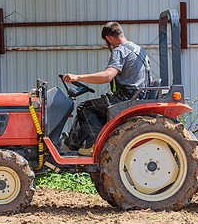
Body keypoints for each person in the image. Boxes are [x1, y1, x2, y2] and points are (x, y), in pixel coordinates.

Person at [62, 21, 151, 156]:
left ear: (108, 38)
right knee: (94, 110)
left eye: (106, 41)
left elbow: (107, 76)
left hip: (127, 98)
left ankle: (94, 145)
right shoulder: (138, 50)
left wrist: (77, 77)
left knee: (84, 108)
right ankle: (68, 146)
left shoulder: (120, 50)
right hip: (136, 96)